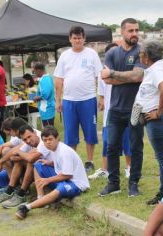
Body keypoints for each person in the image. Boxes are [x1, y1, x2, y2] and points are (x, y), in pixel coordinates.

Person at [102, 40, 163, 204]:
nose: (139, 55)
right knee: (161, 157)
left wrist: (159, 111)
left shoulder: (156, 70)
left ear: (147, 56)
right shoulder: (157, 68)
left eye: (141, 53)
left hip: (157, 118)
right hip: (146, 114)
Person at [98, 18, 145, 197]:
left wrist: (114, 74)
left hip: (136, 108)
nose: (134, 34)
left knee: (135, 147)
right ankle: (113, 183)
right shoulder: (112, 53)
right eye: (131, 31)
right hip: (115, 108)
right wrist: (125, 76)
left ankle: (133, 183)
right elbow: (106, 79)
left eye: (136, 30)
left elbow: (138, 76)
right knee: (111, 146)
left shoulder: (141, 51)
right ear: (122, 32)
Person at [54, 26, 103, 172]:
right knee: (70, 134)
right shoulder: (64, 56)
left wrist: (102, 97)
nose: (77, 41)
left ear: (84, 39)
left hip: (88, 99)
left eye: (80, 38)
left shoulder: (92, 54)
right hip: (69, 101)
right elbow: (58, 79)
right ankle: (73, 161)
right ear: (70, 39)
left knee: (90, 131)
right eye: (74, 38)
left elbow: (99, 76)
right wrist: (58, 100)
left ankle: (89, 161)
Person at [15, 126, 90, 220]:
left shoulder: (64, 151)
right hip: (64, 178)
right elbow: (60, 163)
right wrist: (50, 163)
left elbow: (68, 175)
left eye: (50, 139)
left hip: (76, 184)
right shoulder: (54, 149)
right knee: (38, 164)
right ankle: (40, 197)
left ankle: (27, 207)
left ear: (57, 138)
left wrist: (48, 180)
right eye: (45, 140)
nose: (48, 142)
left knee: (60, 188)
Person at [88, 43, 131, 180]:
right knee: (108, 142)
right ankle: (105, 169)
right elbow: (102, 96)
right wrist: (101, 103)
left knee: (127, 141)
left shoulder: (126, 71)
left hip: (126, 112)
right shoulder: (103, 74)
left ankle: (129, 167)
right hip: (110, 115)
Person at [33, 62, 55, 127]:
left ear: (38, 70)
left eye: (35, 72)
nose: (35, 74)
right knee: (48, 129)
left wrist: (37, 98)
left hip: (47, 108)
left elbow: (46, 94)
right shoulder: (46, 78)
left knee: (49, 130)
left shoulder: (45, 79)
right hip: (45, 109)